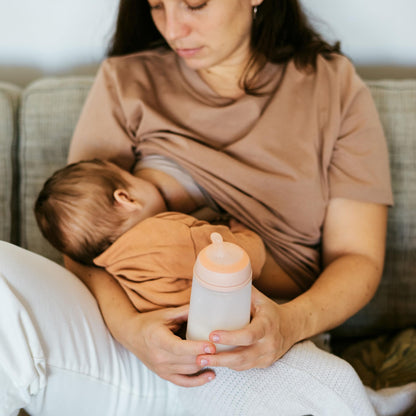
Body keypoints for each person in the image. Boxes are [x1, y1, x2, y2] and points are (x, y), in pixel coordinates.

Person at [0, 0, 394, 414]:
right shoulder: (127, 79)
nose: (173, 29)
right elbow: (82, 243)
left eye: (195, 4)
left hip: (252, 353)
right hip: (119, 349)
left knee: (325, 388)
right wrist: (132, 330)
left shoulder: (332, 86)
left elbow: (358, 257)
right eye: (156, 6)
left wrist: (289, 325)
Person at [34, 158, 266, 312]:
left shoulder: (116, 270)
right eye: (133, 177)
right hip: (224, 323)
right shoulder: (165, 236)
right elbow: (244, 259)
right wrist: (244, 232)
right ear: (126, 199)